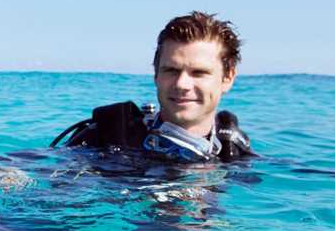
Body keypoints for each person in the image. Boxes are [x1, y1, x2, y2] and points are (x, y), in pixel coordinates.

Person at [51, 11, 254, 162]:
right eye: (171, 70)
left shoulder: (234, 154)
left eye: (198, 73)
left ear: (227, 78)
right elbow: (35, 169)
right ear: (156, 74)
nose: (182, 84)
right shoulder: (107, 138)